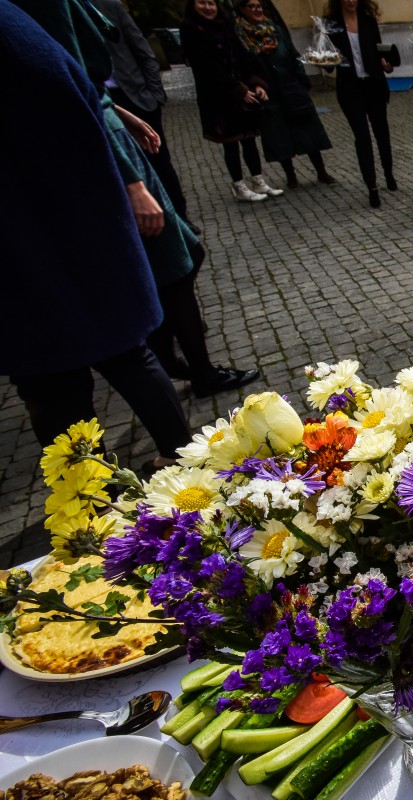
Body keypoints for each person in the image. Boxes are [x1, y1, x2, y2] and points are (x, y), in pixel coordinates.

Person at [18, 0, 262, 403]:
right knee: (177, 261)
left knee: (182, 257)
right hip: (102, 148)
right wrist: (132, 182)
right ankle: (190, 367)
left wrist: (123, 113)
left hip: (109, 126)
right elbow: (67, 84)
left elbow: (82, 82)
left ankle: (170, 356)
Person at [2, 0, 191, 471]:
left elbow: (73, 88)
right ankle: (96, 496)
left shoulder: (12, 26)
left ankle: (163, 467)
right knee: (70, 372)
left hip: (52, 230)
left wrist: (129, 180)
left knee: (96, 362)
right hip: (46, 234)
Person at [92, 0, 192, 224]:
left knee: (159, 159)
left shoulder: (109, 7)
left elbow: (144, 51)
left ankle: (180, 217)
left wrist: (155, 95)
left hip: (136, 96)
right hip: (101, 98)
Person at [181, 0, 282, 202]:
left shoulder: (226, 25)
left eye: (211, 3)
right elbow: (207, 66)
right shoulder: (191, 29)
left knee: (249, 139)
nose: (208, 8)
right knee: (231, 142)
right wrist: (238, 89)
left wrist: (256, 83)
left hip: (241, 92)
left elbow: (242, 57)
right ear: (193, 6)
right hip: (219, 96)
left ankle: (258, 180)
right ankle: (239, 185)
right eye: (202, 3)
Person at [234, 0, 336, 188]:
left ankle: (321, 171)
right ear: (242, 10)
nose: (257, 9)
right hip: (267, 91)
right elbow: (243, 66)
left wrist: (302, 80)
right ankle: (290, 175)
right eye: (252, 6)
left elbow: (292, 54)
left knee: (308, 130)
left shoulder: (274, 30)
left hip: (291, 86)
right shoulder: (241, 36)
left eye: (259, 6)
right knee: (279, 135)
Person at [325, 0, 395, 208]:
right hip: (350, 89)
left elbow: (380, 52)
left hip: (374, 85)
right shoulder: (332, 25)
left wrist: (387, 63)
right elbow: (328, 63)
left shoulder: (368, 21)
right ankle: (371, 186)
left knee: (382, 132)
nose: (350, 1)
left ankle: (389, 173)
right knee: (362, 137)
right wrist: (324, 58)